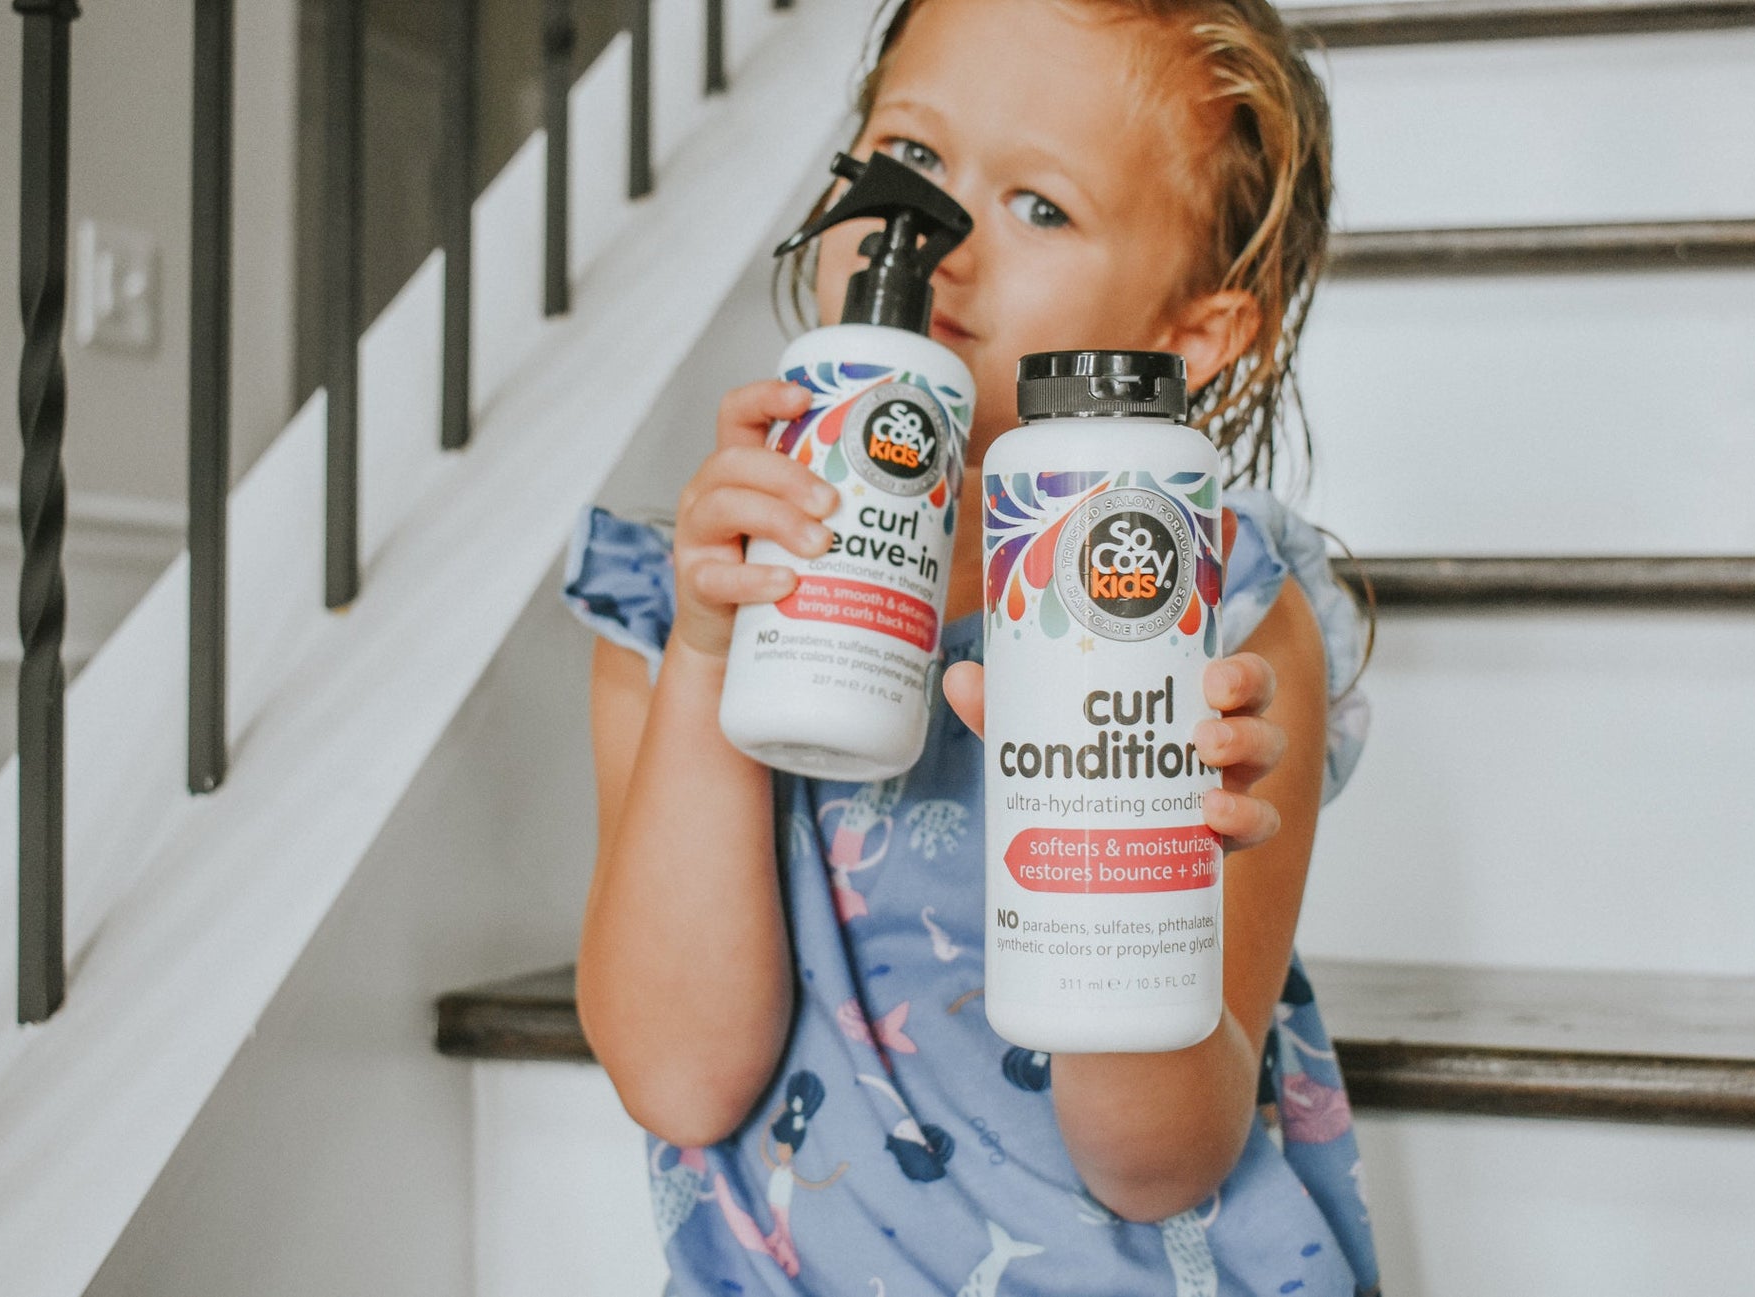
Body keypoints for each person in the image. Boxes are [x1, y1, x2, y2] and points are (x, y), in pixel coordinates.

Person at [560, 0, 1378, 1290]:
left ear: (1195, 333)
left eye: (1040, 206)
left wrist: (1138, 853)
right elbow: (680, 1076)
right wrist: (715, 655)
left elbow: (1156, 1163)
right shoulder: (680, 600)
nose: (932, 240)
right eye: (915, 160)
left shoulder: (1219, 612)